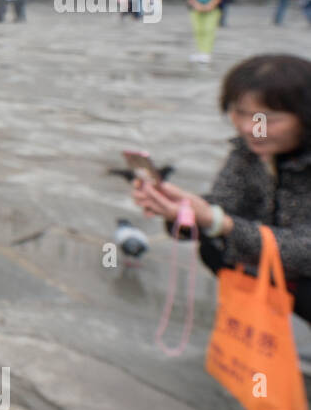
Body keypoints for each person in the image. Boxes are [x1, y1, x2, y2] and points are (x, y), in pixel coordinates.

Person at [133, 55, 311, 324]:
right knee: (213, 247)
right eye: (240, 113)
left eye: (268, 119)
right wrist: (178, 208)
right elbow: (223, 204)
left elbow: (304, 249)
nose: (251, 128)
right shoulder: (247, 151)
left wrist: (219, 222)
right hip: (276, 260)